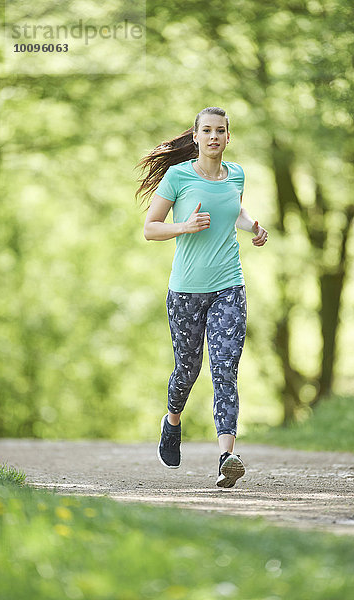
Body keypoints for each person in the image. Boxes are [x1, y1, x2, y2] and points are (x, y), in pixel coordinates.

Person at [135, 106, 268, 488]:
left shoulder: (237, 174)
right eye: (207, 130)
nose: (214, 136)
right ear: (195, 137)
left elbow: (236, 210)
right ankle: (172, 421)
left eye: (220, 131)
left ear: (229, 137)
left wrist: (252, 228)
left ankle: (227, 456)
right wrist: (184, 226)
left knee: (225, 368)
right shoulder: (177, 176)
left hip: (229, 285)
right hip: (185, 291)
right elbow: (150, 228)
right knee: (187, 370)